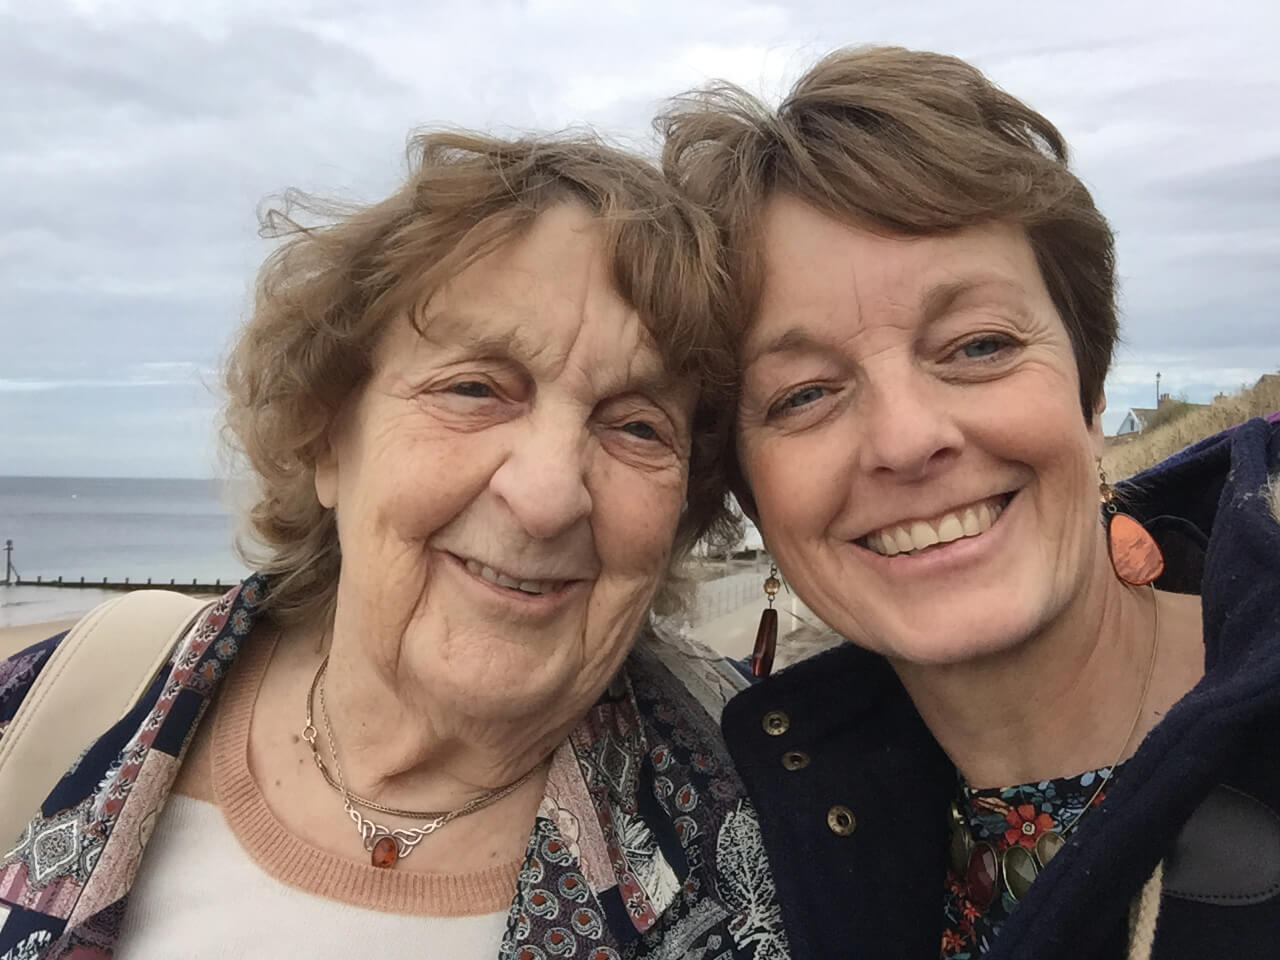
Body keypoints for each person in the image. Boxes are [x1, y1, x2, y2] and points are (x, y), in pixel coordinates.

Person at [0, 131, 793, 960]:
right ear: (327, 437)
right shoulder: (54, 706)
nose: (549, 495)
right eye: (475, 388)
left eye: (636, 425)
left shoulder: (790, 842)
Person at [661, 45, 1280, 960]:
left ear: (1091, 392)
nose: (909, 439)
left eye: (979, 345)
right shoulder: (773, 832)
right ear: (751, 496)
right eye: (802, 395)